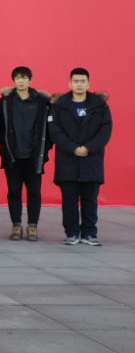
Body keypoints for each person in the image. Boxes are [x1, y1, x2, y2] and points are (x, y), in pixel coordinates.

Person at [49, 68, 112, 246]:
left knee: (90, 200)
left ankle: (89, 233)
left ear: (88, 84)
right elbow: (55, 131)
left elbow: (105, 131)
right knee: (69, 199)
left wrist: (88, 148)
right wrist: (73, 148)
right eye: (76, 81)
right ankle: (71, 233)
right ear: (70, 83)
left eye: (82, 81)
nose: (79, 84)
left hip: (92, 160)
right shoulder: (59, 105)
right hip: (67, 160)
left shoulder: (100, 106)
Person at [0, 66, 52, 241]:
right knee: (14, 191)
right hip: (12, 156)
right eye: (18, 78)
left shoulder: (42, 101)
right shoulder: (5, 101)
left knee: (34, 192)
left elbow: (50, 128)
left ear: (30, 80)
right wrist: (4, 144)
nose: (21, 81)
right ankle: (16, 225)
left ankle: (32, 225)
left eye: (24, 77)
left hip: (34, 157)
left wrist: (45, 148)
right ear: (13, 80)